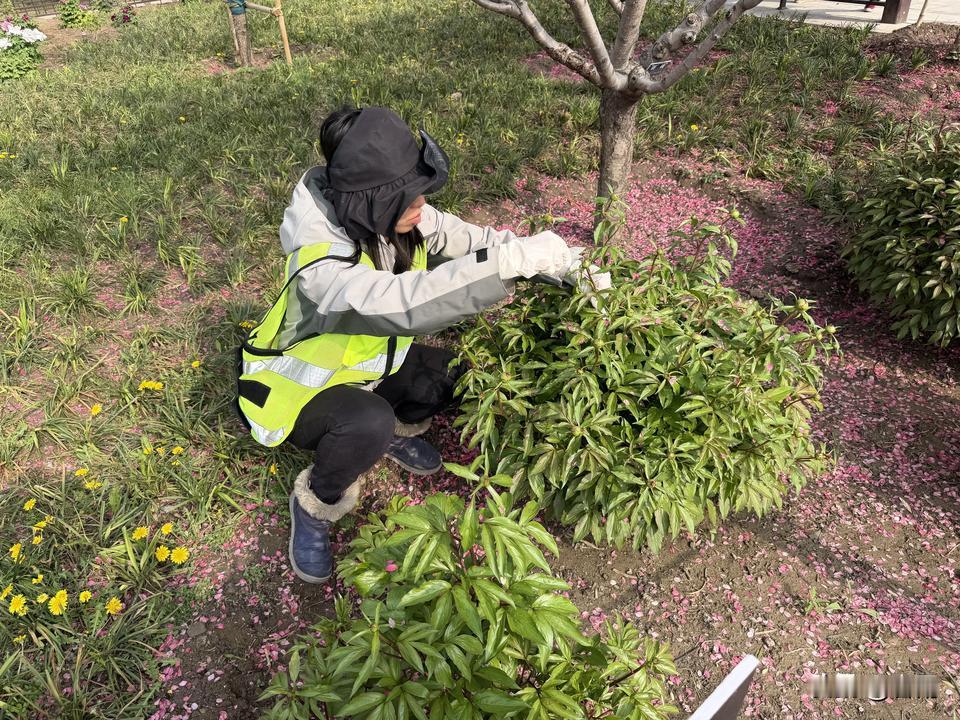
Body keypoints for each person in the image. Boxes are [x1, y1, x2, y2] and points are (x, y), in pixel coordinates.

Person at [235, 106, 610, 583]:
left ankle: (395, 430)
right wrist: (507, 267)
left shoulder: (390, 212)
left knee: (452, 374)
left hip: (368, 368)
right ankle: (316, 502)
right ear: (372, 202)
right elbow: (400, 301)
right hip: (298, 392)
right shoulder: (319, 267)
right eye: (409, 197)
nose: (422, 206)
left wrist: (554, 263)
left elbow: (471, 240)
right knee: (367, 421)